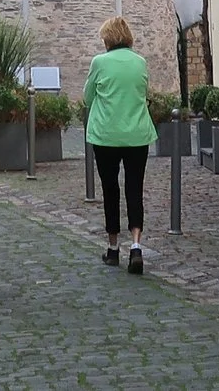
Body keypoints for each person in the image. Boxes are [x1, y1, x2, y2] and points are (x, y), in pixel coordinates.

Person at [80, 15, 157, 273]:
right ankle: (136, 246)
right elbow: (145, 94)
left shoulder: (99, 63)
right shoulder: (140, 62)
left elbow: (87, 97)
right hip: (137, 134)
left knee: (110, 190)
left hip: (106, 136)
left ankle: (113, 248)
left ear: (108, 39)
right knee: (135, 189)